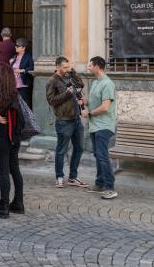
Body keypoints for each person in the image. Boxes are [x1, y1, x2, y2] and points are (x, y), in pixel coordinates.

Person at [0, 62, 24, 219]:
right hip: (15, 137)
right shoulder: (15, 94)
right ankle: (18, 203)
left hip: (2, 136)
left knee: (3, 171)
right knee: (14, 168)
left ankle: (3, 206)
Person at [46, 57, 88, 189]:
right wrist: (67, 93)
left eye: (68, 66)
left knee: (80, 148)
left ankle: (73, 177)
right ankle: (59, 176)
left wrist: (73, 72)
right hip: (64, 120)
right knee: (61, 150)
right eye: (64, 67)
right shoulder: (52, 81)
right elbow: (51, 100)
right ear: (57, 67)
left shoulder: (70, 77)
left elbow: (81, 85)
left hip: (76, 119)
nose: (67, 69)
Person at [82, 56, 118, 200]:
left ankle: (110, 188)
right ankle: (100, 183)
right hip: (95, 126)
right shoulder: (96, 82)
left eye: (90, 65)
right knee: (98, 155)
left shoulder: (107, 84)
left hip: (104, 126)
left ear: (97, 66)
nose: (88, 68)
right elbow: (95, 102)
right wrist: (86, 101)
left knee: (102, 156)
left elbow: (105, 107)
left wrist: (89, 112)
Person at [10, 38, 34, 108]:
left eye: (17, 46)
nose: (15, 47)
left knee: (23, 106)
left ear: (23, 47)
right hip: (14, 85)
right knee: (15, 106)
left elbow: (32, 67)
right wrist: (10, 63)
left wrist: (22, 70)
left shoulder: (28, 56)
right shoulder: (14, 56)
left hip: (23, 85)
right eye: (15, 45)